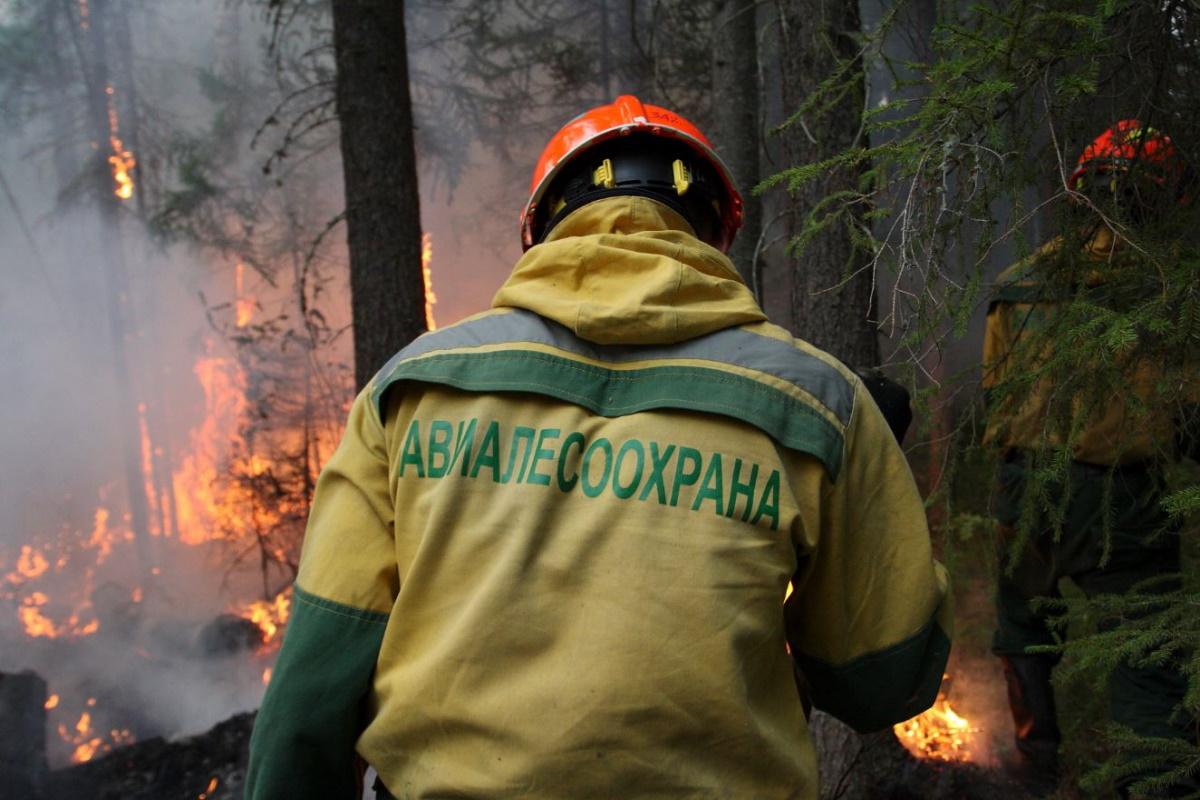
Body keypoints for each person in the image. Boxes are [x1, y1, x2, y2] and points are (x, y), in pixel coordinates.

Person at [245, 95, 951, 800]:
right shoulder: (819, 404)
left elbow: (313, 692)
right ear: (712, 232)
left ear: (546, 229)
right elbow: (880, 682)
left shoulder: (410, 390)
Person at [983, 120, 1197, 797]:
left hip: (1024, 488)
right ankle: (1155, 780)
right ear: (1160, 199)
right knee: (1145, 653)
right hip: (1121, 500)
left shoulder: (1019, 281)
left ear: (1083, 193)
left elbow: (994, 398)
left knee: (1023, 627)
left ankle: (1033, 771)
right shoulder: (1170, 293)